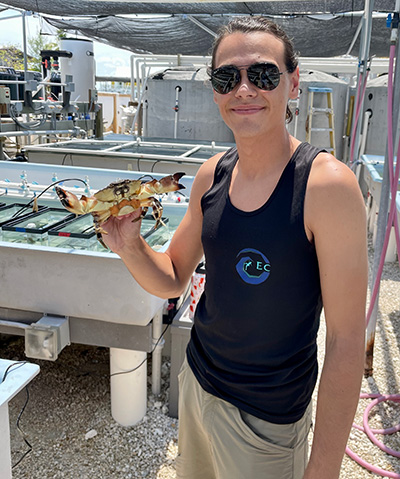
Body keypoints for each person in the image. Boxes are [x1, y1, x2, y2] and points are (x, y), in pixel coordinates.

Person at [102, 16, 368, 479]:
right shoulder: (212, 175)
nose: (244, 89)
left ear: (293, 83)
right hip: (198, 386)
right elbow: (173, 278)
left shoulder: (327, 187)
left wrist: (323, 467)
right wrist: (130, 246)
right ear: (215, 91)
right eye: (227, 77)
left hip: (265, 420)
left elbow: (345, 341)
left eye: (263, 74)